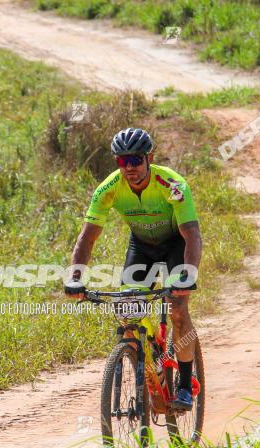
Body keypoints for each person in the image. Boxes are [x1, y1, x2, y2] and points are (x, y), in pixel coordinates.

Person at [65, 128, 202, 411]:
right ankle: (151, 369)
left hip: (176, 245)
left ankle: (186, 385)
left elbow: (192, 235)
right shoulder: (108, 188)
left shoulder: (172, 184)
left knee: (177, 308)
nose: (130, 168)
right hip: (142, 248)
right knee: (128, 312)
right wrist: (75, 277)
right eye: (122, 161)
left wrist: (188, 275)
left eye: (136, 160)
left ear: (149, 157)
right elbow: (87, 237)